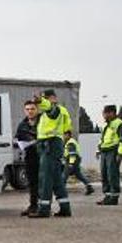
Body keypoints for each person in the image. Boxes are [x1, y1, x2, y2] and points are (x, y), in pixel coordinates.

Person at [30, 88, 72, 218]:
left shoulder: (55, 110)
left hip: (50, 145)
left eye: (46, 98)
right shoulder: (59, 112)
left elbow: (49, 108)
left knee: (45, 178)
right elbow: (67, 131)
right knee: (56, 179)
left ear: (53, 98)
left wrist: (41, 100)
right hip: (52, 145)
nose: (44, 102)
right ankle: (65, 208)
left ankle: (44, 209)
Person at [97, 104, 122, 206]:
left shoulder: (120, 124)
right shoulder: (106, 125)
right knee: (104, 175)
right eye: (103, 113)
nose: (104, 115)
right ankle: (107, 196)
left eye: (105, 113)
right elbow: (102, 138)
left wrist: (120, 154)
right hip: (104, 152)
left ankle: (114, 197)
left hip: (113, 151)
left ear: (112, 113)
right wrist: (98, 150)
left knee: (112, 175)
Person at [15, 100, 41, 216]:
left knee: (44, 182)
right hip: (30, 156)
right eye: (27, 109)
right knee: (32, 182)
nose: (30, 111)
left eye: (32, 109)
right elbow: (18, 139)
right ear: (24, 111)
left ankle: (44, 206)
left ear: (37, 110)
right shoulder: (22, 125)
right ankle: (33, 205)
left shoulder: (43, 122)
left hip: (43, 155)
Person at [62, 130, 94, 195]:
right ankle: (89, 187)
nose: (63, 136)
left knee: (64, 176)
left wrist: (71, 163)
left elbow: (72, 154)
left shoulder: (70, 143)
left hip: (71, 161)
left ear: (68, 135)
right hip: (75, 161)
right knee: (79, 175)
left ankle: (61, 190)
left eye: (65, 135)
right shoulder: (70, 142)